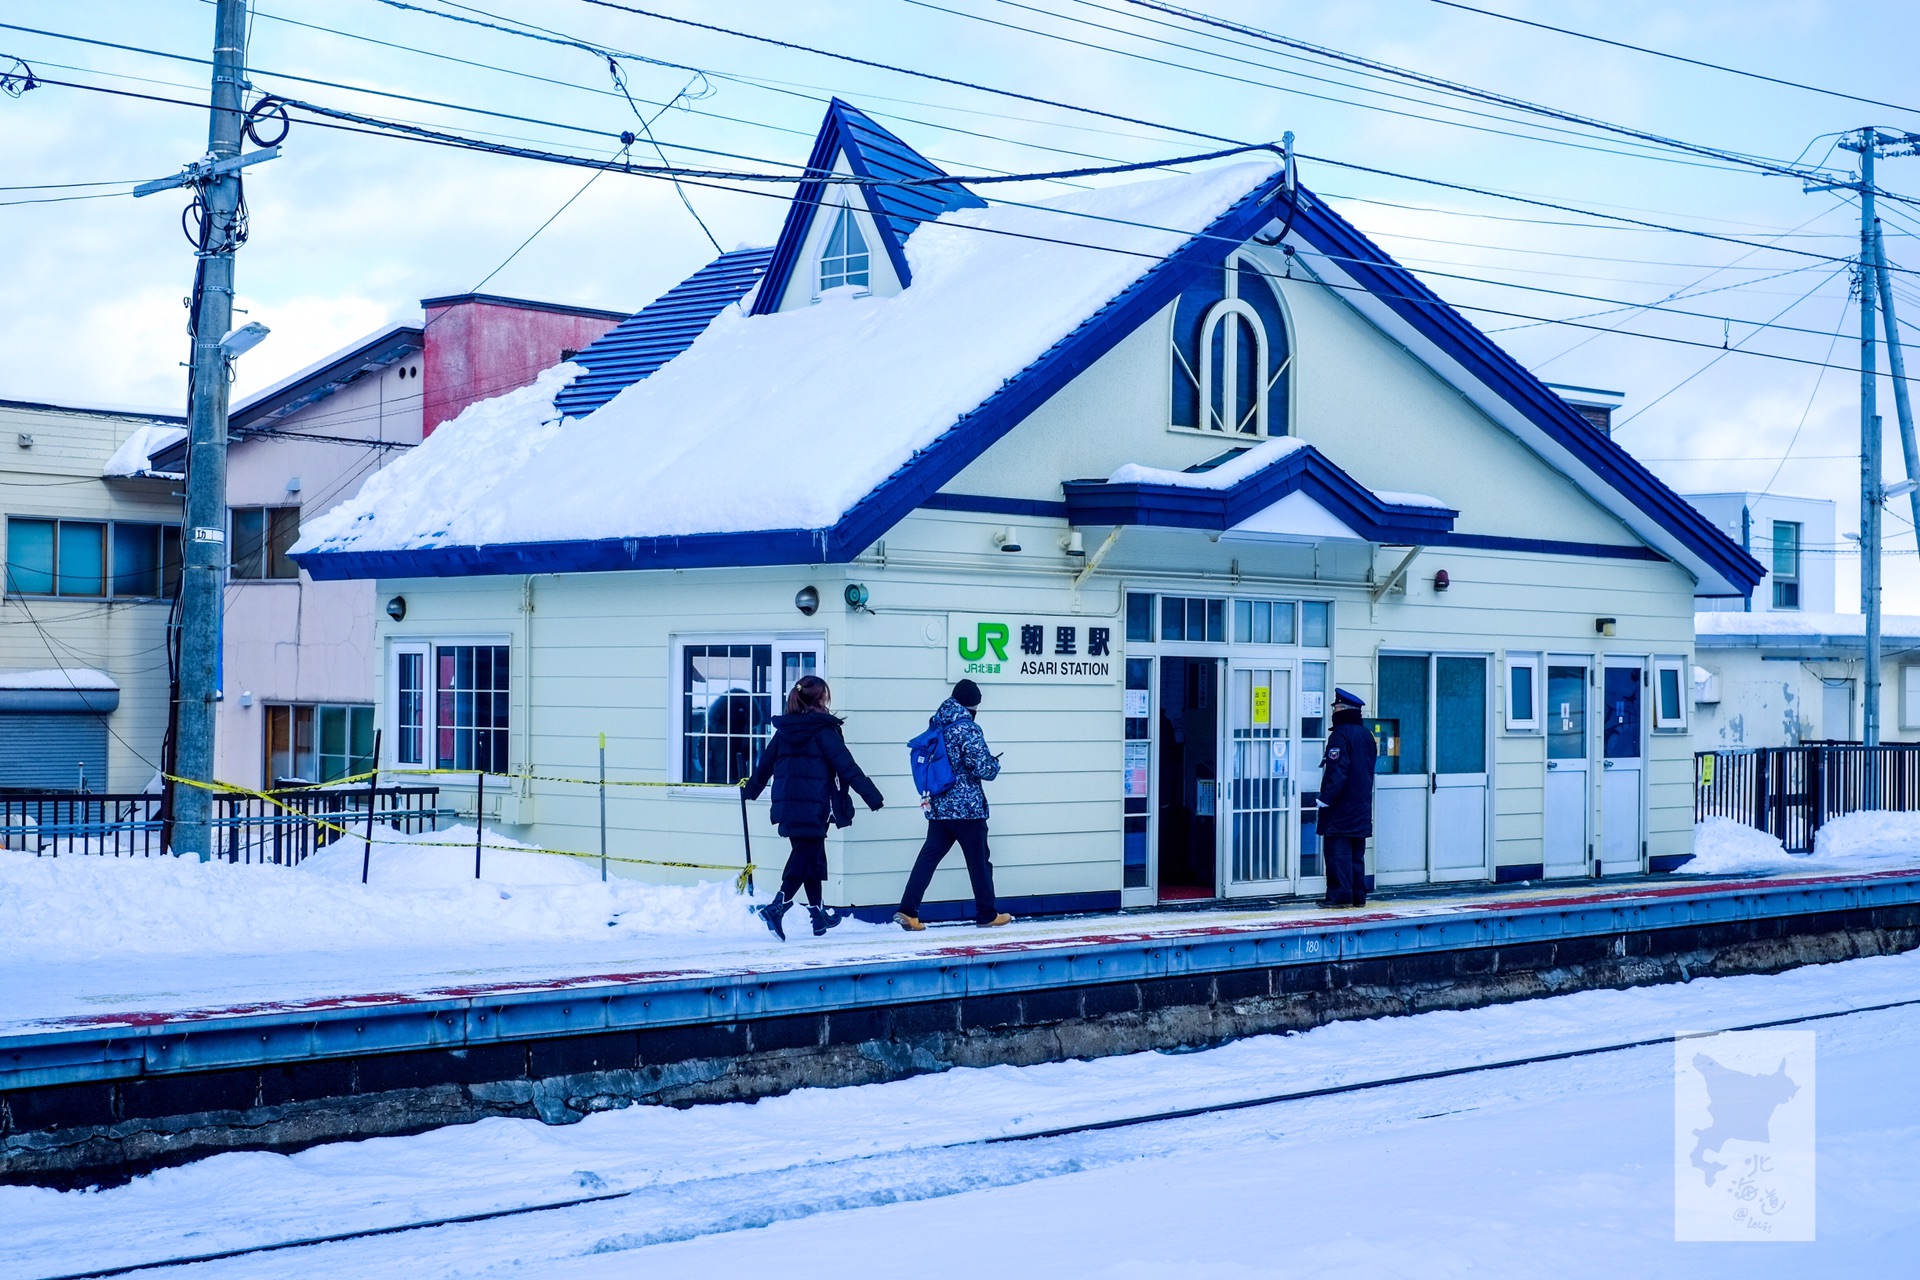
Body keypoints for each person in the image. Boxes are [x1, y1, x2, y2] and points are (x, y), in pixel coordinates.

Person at [741, 675, 884, 939]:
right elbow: (847, 766)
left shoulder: (785, 731)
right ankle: (777, 907)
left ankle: (818, 915)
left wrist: (750, 790)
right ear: (820, 698)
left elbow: (765, 765)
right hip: (815, 806)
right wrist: (872, 796)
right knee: (806, 856)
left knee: (812, 857)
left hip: (789, 805)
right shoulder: (823, 731)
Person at [895, 679, 1013, 930]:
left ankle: (908, 911)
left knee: (928, 858)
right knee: (979, 862)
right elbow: (984, 769)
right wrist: (994, 763)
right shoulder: (967, 729)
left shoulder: (937, 722)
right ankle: (987, 914)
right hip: (967, 810)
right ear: (973, 705)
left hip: (939, 806)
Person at [1317, 687, 1378, 908]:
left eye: (1336, 707)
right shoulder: (1367, 735)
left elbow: (1337, 770)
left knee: (1337, 852)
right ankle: (1357, 896)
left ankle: (1338, 896)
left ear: (1343, 709)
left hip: (1340, 807)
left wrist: (1326, 799)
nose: (1334, 710)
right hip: (1361, 804)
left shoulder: (1340, 735)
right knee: (1356, 854)